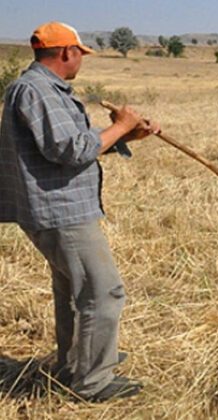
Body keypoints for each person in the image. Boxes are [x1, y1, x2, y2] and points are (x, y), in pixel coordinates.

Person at [0, 22, 160, 402]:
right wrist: (120, 125)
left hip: (61, 208)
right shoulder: (35, 90)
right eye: (80, 54)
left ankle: (77, 363)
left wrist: (127, 134)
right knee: (104, 292)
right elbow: (70, 150)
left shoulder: (44, 89)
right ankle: (93, 382)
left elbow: (76, 146)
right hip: (60, 211)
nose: (81, 61)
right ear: (66, 52)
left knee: (73, 292)